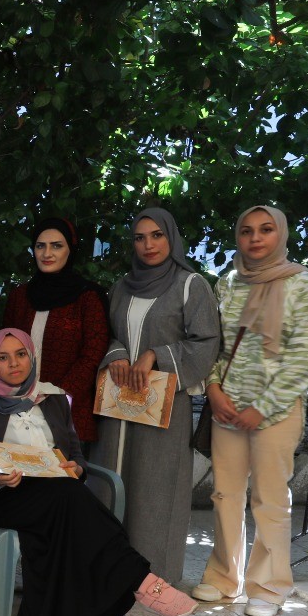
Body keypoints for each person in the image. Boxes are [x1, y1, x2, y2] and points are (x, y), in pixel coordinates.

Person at [0, 329, 199, 616]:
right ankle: (141, 580)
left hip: (57, 495)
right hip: (6, 496)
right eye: (3, 358)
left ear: (31, 357)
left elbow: (75, 453)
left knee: (57, 513)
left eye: (20, 355)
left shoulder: (52, 397)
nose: (13, 364)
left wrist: (77, 468)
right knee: (69, 498)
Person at [193, 205, 308, 616]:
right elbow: (219, 346)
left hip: (277, 410)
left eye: (266, 229)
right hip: (227, 406)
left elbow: (301, 360)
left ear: (280, 234)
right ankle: (224, 578)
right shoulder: (229, 282)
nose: (255, 238)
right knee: (225, 495)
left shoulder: (305, 284)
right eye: (247, 231)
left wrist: (262, 408)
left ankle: (269, 588)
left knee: (269, 500)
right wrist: (214, 389)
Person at [94, 208, 220, 586]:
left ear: (171, 237)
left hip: (163, 404)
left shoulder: (190, 285)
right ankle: (108, 570)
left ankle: (153, 577)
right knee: (111, 480)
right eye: (140, 237)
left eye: (156, 235)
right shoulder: (122, 287)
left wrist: (156, 355)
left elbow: (206, 343)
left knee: (156, 486)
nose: (148, 244)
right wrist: (117, 354)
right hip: (119, 401)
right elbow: (107, 333)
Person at [2, 217, 110, 443]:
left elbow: (92, 356)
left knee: (65, 466)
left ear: (71, 249)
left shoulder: (88, 297)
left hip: (68, 412)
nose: (47, 253)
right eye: (40, 246)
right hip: (18, 409)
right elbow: (4, 349)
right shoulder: (20, 297)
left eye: (56, 246)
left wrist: (57, 396)